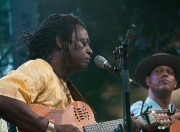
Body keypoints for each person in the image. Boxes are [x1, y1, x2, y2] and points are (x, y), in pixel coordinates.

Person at [0, 14, 140, 132]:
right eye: (84, 43)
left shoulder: (69, 95)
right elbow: (3, 97)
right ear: (60, 42)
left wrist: (123, 127)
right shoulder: (40, 68)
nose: (90, 50)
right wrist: (53, 128)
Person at [130, 53, 180, 132]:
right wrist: (170, 117)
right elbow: (143, 124)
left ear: (175, 83)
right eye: (157, 71)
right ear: (148, 80)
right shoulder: (139, 107)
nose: (165, 74)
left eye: (170, 72)